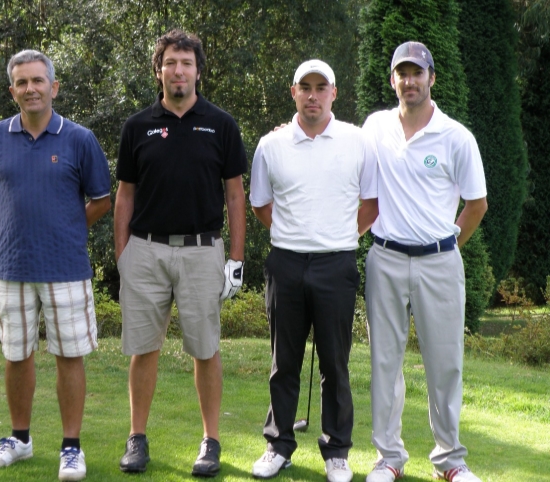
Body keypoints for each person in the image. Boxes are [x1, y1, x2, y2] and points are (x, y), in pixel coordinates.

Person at [0, 49, 112, 482]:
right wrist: (24, 224)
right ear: (12, 89)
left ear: (54, 86)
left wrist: (64, 227)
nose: (30, 88)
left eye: (37, 80)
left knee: (69, 356)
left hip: (66, 266)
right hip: (10, 267)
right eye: (21, 82)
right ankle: (20, 439)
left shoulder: (80, 139)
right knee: (17, 355)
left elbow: (102, 199)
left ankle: (71, 448)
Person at [113, 29, 247, 477]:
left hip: (201, 251)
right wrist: (123, 256)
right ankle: (137, 438)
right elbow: (124, 196)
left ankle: (210, 441)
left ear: (198, 71)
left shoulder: (221, 124)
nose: (179, 70)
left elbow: (235, 196)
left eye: (187, 63)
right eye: (171, 62)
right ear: (159, 70)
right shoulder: (138, 126)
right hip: (146, 251)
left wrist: (237, 259)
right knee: (143, 348)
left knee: (205, 350)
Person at [358, 42, 488, 482]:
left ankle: (450, 461)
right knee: (384, 363)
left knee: (445, 363)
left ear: (432, 78)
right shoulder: (375, 127)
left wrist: (448, 247)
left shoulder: (456, 136)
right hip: (385, 258)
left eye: (418, 73)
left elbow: (476, 205)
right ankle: (388, 458)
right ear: (392, 79)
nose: (409, 81)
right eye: (402, 73)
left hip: (439, 262)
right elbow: (339, 154)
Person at [249, 59, 375, 482]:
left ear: (334, 94)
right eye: (306, 87)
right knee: (284, 361)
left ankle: (337, 451)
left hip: (336, 263)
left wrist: (339, 237)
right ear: (294, 92)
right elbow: (261, 205)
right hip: (285, 262)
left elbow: (371, 206)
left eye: (322, 87)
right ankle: (278, 445)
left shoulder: (357, 142)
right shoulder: (272, 145)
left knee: (335, 363)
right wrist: (296, 235)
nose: (314, 95)